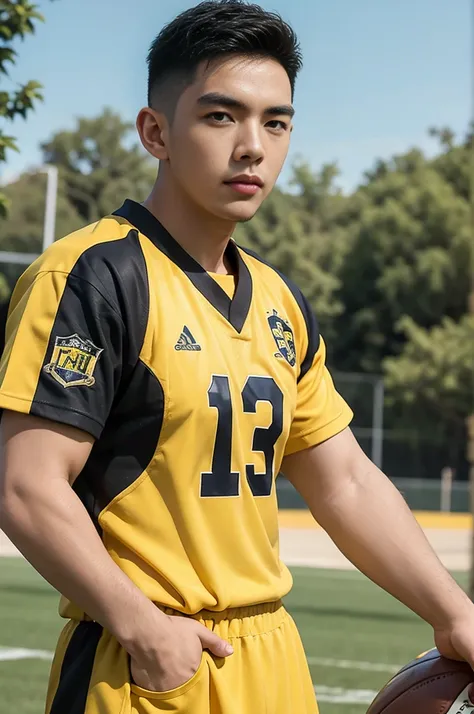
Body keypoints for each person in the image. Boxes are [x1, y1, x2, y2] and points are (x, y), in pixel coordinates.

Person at [1, 2, 474, 713]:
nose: (253, 145)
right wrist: (147, 631)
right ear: (155, 131)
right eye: (221, 116)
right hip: (147, 660)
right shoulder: (93, 277)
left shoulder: (279, 300)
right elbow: (27, 486)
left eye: (276, 122)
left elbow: (341, 479)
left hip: (271, 657)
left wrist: (453, 610)